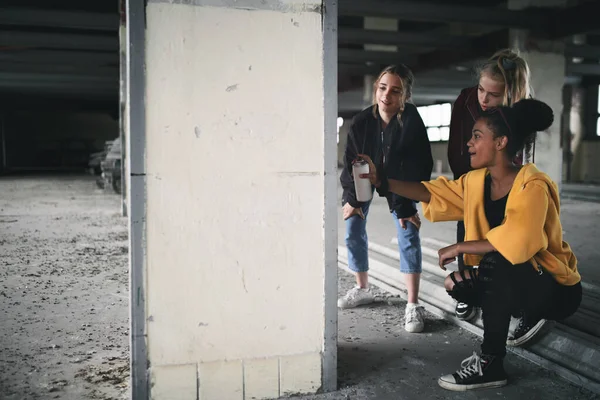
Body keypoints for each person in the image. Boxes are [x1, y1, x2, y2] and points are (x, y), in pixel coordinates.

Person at [359, 99, 582, 390]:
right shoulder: (477, 182)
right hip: (523, 278)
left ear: (501, 142)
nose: (468, 143)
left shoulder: (533, 185)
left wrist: (459, 247)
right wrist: (383, 181)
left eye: (477, 136)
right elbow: (432, 192)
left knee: (497, 262)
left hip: (557, 288)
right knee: (458, 284)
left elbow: (518, 243)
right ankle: (522, 311)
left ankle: (492, 364)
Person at [338, 64, 433, 333]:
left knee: (408, 230)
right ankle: (362, 287)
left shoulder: (412, 122)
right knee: (352, 226)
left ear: (405, 96)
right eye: (382, 88)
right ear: (375, 88)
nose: (386, 96)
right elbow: (350, 163)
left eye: (395, 91)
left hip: (398, 181)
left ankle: (413, 304)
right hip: (364, 178)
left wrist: (403, 206)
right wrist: (352, 201)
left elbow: (419, 167)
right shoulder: (361, 122)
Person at [447, 48, 533, 321]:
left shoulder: (524, 111)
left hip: (507, 182)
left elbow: (527, 155)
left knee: (507, 239)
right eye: (481, 90)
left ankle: (511, 294)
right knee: (469, 233)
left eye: (493, 95)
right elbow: (456, 145)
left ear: (510, 93)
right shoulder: (466, 99)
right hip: (471, 179)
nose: (483, 99)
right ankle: (468, 291)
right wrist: (467, 183)